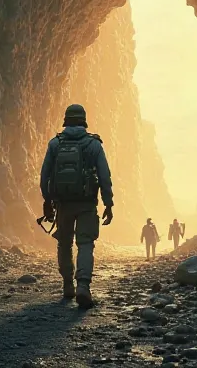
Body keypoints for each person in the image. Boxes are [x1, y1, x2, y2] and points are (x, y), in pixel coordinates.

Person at [40, 103, 114, 309]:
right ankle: (83, 286)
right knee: (85, 244)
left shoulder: (55, 144)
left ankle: (67, 285)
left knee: (64, 244)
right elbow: (105, 176)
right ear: (83, 120)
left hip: (62, 204)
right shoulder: (94, 145)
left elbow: (44, 175)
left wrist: (47, 200)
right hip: (87, 204)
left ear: (66, 120)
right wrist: (108, 203)